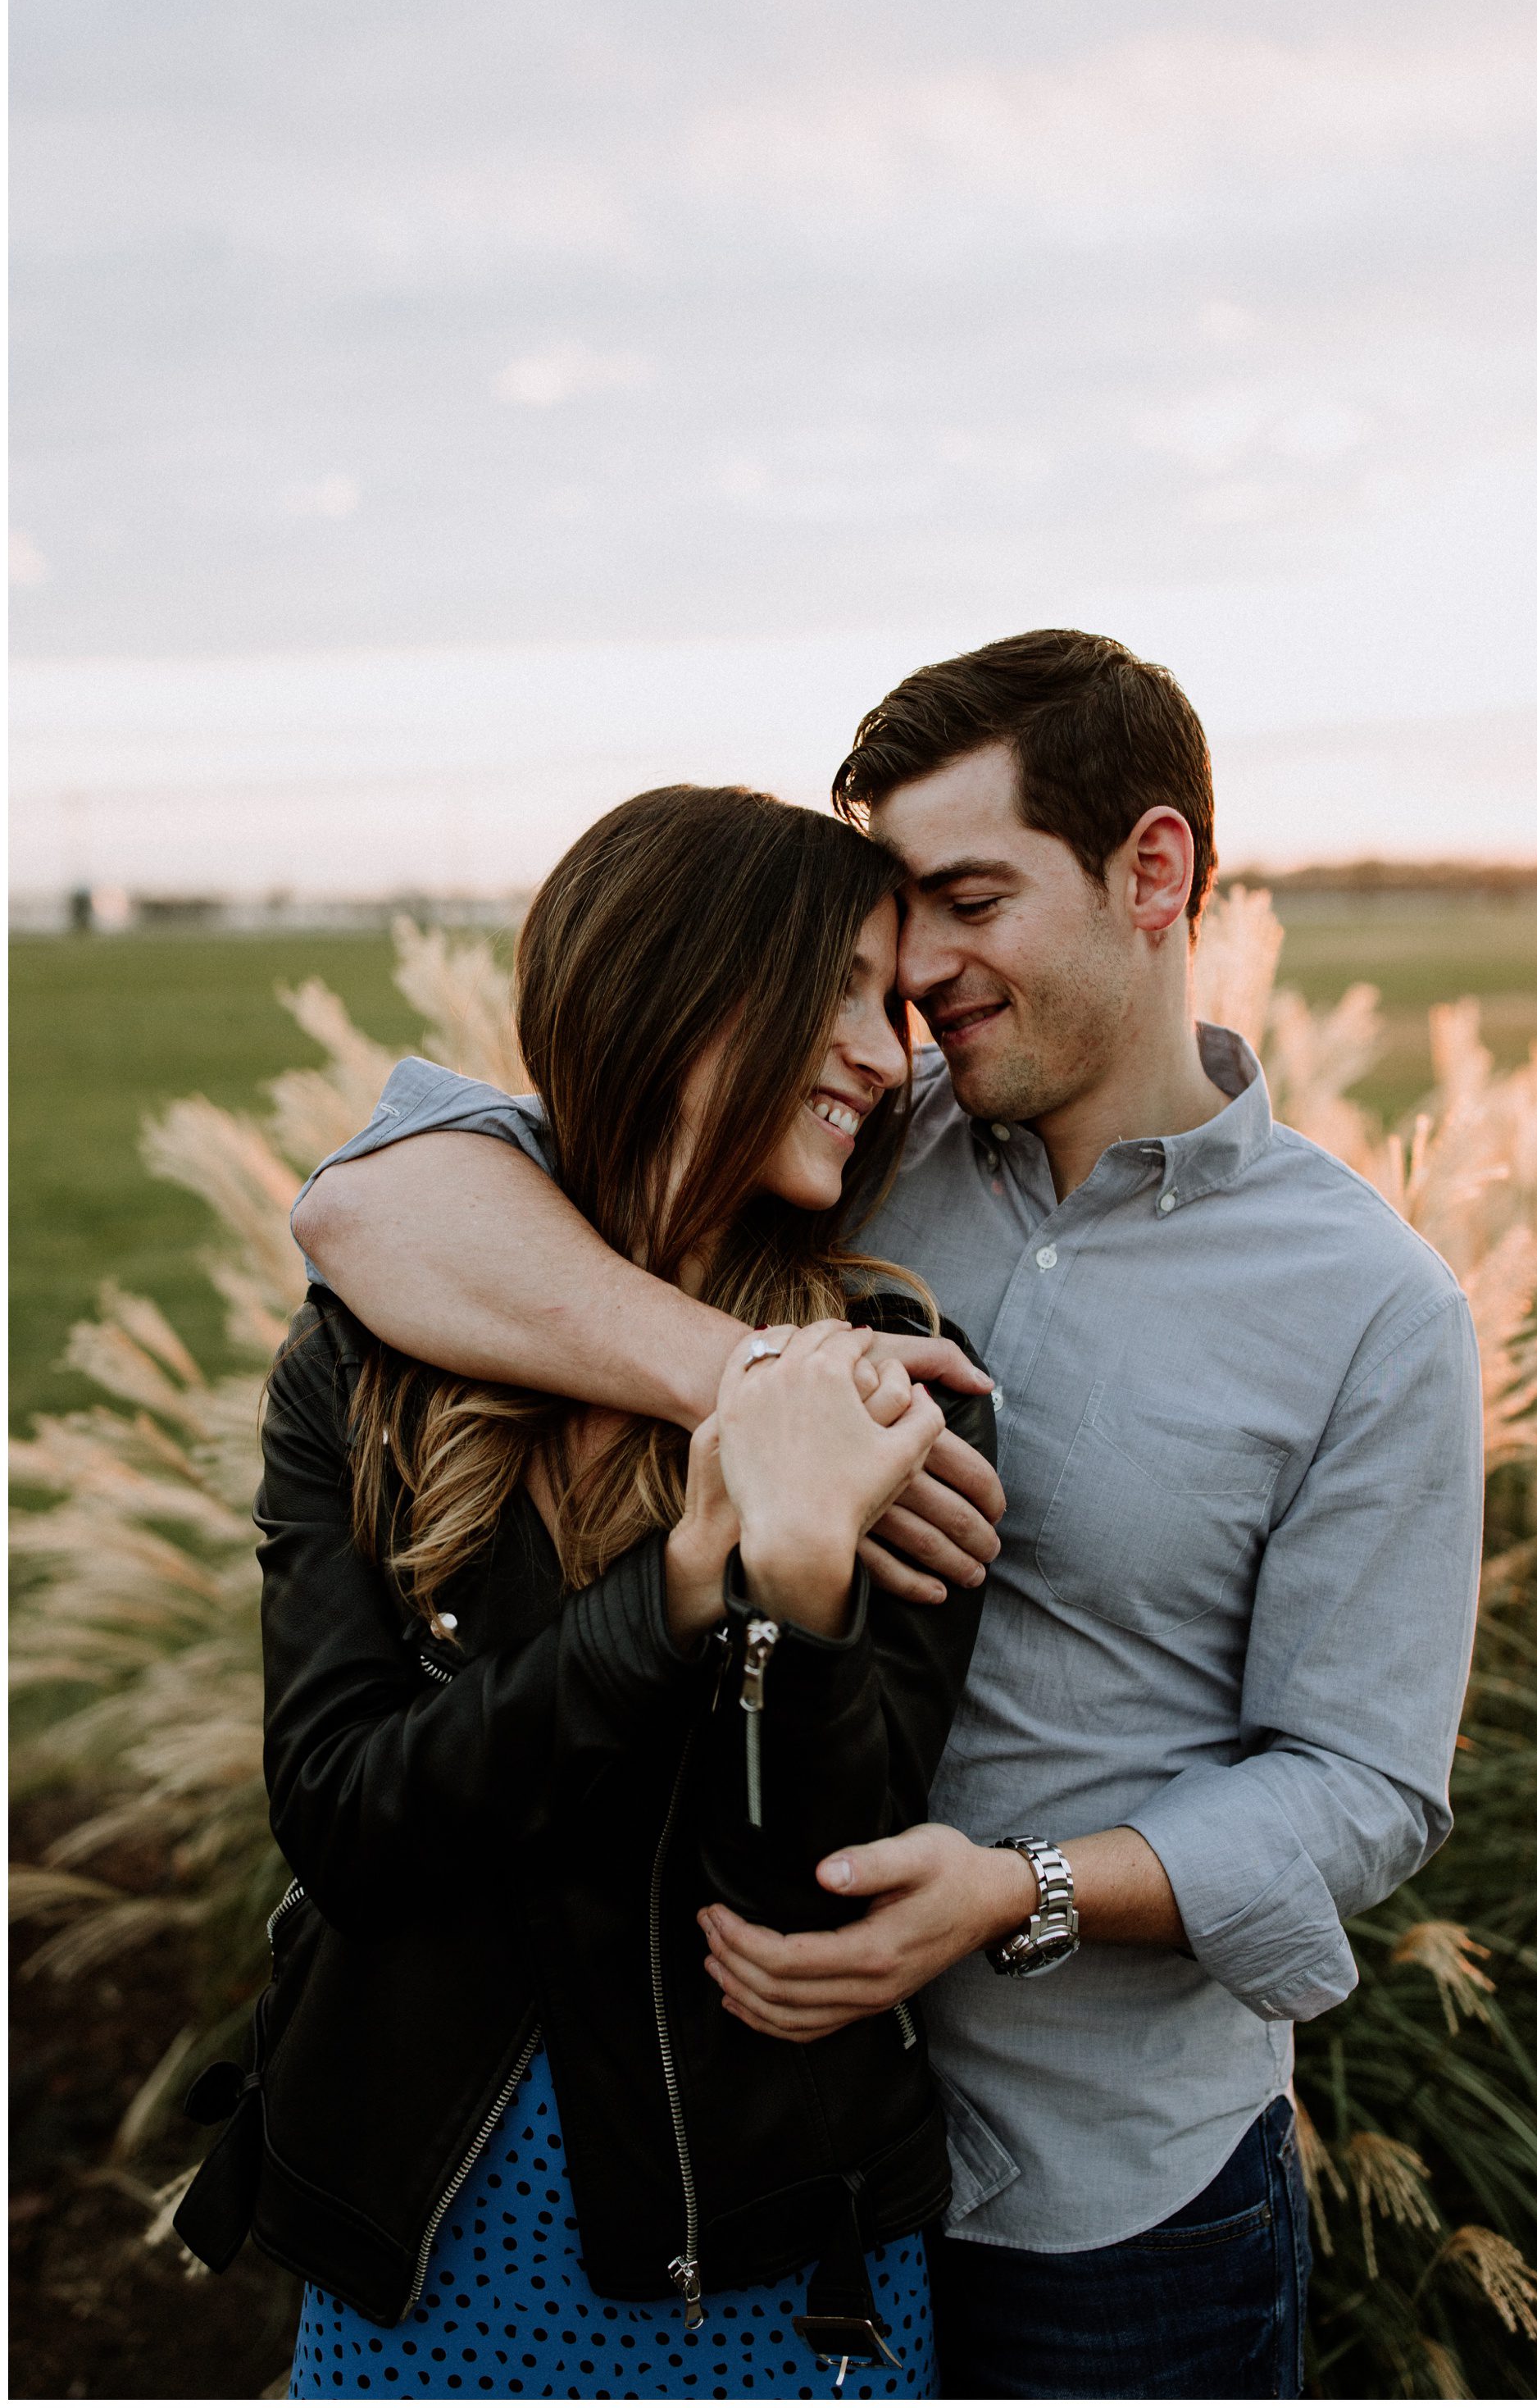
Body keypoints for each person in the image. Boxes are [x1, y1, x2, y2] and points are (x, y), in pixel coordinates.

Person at [294, 630, 1485, 2401]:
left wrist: (1023, 1890)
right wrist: (753, 1379)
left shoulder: (1372, 1307)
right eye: (900, 915)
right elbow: (371, 1209)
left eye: (971, 899)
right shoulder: (842, 1135)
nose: (919, 972)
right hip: (756, 2156)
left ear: (1153, 872)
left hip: (1106, 2194)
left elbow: (1364, 1782)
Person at [175, 785, 1003, 2401]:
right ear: (676, 985)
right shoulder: (367, 1363)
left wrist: (802, 1581)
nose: (884, 1052)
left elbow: (809, 1913)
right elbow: (344, 1814)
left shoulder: (898, 1384)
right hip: (415, 2258)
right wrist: (675, 1598)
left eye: (893, 1006)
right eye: (838, 990)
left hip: (764, 2280)